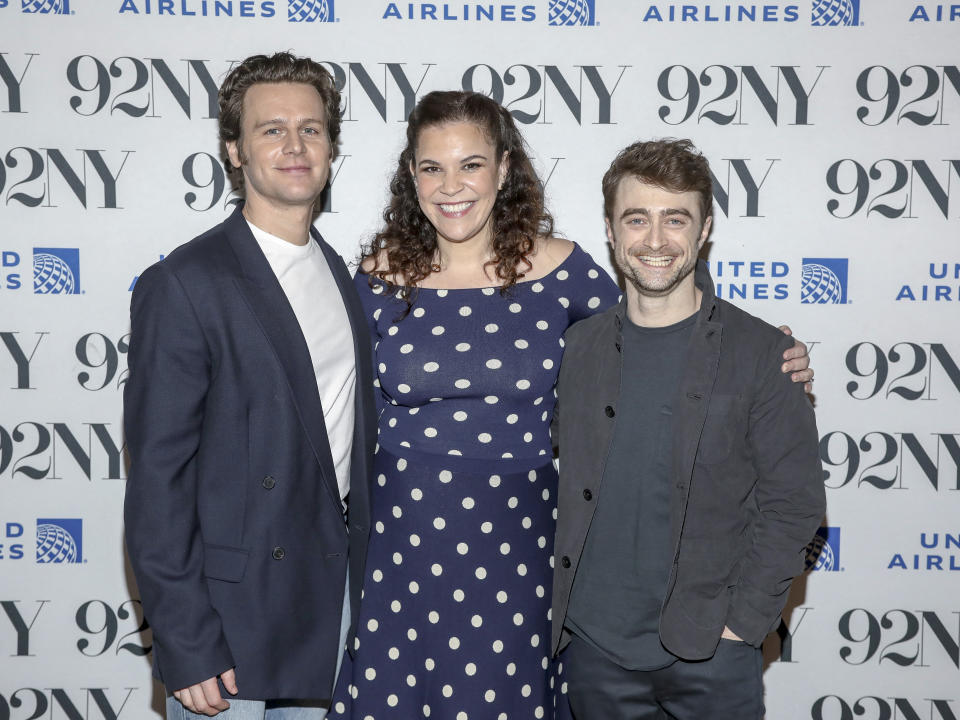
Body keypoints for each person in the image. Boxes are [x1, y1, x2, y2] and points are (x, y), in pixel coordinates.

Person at [330, 93, 812, 720]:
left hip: (516, 550)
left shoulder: (559, 270)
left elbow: (655, 304)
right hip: (402, 549)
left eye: (471, 165)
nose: (451, 186)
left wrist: (772, 352)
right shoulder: (376, 276)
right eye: (431, 167)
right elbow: (321, 386)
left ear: (504, 170)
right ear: (411, 175)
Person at [123, 53, 375, 719]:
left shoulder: (342, 276)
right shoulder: (186, 282)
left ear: (332, 148)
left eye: (312, 129)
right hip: (226, 628)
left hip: (325, 613)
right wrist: (184, 639)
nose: (295, 146)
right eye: (271, 130)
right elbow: (157, 481)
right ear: (233, 149)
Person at [550, 138, 826, 720]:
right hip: (596, 650)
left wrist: (741, 626)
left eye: (675, 220)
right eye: (637, 219)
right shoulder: (576, 348)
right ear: (610, 228)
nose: (655, 241)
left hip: (712, 655)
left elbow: (795, 507)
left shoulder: (764, 354)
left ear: (703, 233)